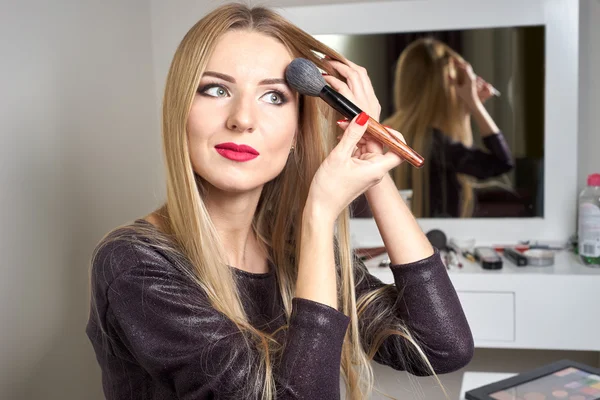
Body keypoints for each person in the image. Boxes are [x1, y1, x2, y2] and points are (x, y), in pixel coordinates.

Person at [86, 4, 473, 399]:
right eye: (216, 89)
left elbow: (441, 347)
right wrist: (319, 216)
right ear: (180, 110)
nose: (242, 118)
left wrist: (373, 162)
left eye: (273, 96)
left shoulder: (291, 251)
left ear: (295, 132)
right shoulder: (136, 265)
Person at [382, 37, 514, 218]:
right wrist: (474, 105)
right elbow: (501, 163)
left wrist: (466, 109)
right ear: (446, 88)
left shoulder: (390, 132)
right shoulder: (438, 145)